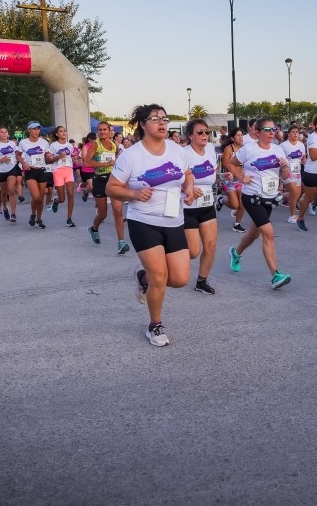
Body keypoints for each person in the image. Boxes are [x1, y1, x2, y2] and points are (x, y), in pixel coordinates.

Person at [106, 104, 194, 347]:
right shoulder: (131, 155)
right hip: (143, 221)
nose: (162, 122)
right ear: (143, 124)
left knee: (180, 279)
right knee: (160, 276)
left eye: (164, 118)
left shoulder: (177, 150)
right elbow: (110, 188)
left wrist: (188, 187)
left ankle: (143, 278)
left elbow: (187, 173)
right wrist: (134, 194)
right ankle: (155, 325)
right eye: (155, 118)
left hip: (174, 221)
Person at [227, 117, 292, 289]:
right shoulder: (248, 149)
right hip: (252, 197)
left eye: (274, 129)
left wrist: (284, 167)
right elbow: (231, 164)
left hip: (269, 199)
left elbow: (284, 177)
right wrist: (241, 177)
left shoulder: (278, 150)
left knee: (253, 234)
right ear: (257, 132)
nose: (272, 133)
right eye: (267, 130)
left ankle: (236, 252)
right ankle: (275, 275)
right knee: (268, 233)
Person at [181, 119, 221, 294]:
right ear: (190, 136)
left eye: (207, 132)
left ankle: (201, 281)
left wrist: (222, 177)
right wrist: (188, 187)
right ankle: (163, 261)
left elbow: (211, 175)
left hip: (207, 204)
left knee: (211, 245)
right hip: (188, 207)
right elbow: (175, 178)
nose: (205, 135)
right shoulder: (183, 154)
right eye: (200, 132)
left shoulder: (211, 150)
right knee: (193, 251)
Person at [85, 121, 129, 253]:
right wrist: (104, 164)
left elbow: (115, 161)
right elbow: (87, 162)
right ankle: (93, 228)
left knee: (118, 211)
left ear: (111, 131)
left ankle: (121, 242)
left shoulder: (115, 145)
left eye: (105, 130)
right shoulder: (95, 145)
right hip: (100, 180)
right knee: (103, 214)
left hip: (113, 179)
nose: (102, 132)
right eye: (100, 130)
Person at [17, 121, 49, 229]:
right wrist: (23, 163)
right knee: (35, 196)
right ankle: (33, 214)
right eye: (34, 129)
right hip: (30, 170)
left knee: (40, 198)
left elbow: (47, 155)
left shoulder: (44, 142)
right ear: (29, 130)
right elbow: (17, 155)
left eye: (38, 129)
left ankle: (38, 218)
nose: (36, 131)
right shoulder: (23, 142)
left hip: (42, 170)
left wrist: (49, 156)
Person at [218, 127, 247, 233]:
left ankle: (237, 224)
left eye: (241, 135)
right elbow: (225, 163)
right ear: (232, 138)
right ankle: (221, 200)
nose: (240, 137)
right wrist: (235, 168)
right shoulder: (229, 149)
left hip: (241, 180)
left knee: (242, 203)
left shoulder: (245, 149)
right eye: (238, 135)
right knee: (235, 205)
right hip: (230, 179)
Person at [47, 126, 77, 227]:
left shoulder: (70, 146)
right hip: (58, 171)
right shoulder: (53, 146)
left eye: (65, 131)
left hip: (68, 170)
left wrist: (76, 160)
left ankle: (69, 218)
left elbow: (71, 157)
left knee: (71, 194)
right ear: (57, 134)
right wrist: (58, 157)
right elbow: (48, 161)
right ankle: (56, 201)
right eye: (61, 131)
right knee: (62, 198)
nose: (63, 133)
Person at [280, 125, 306, 224]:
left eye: (297, 132)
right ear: (289, 134)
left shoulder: (301, 145)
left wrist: (305, 162)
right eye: (293, 132)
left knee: (296, 194)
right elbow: (280, 159)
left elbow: (303, 158)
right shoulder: (284, 145)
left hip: (297, 171)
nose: (295, 134)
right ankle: (292, 215)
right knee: (294, 193)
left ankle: (279, 196)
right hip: (287, 171)